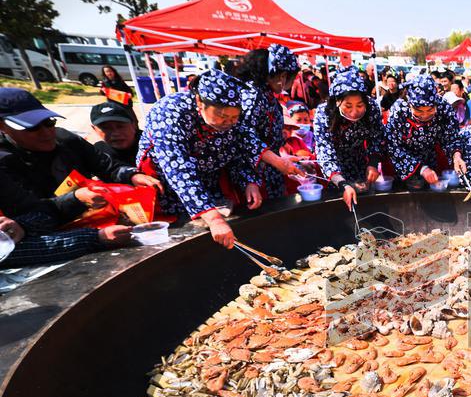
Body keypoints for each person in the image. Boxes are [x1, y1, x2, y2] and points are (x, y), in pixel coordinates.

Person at [0, 89, 135, 265]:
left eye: (49, 122)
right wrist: (92, 236)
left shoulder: (65, 139)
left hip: (98, 223)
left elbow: (106, 166)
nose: (46, 132)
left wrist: (132, 175)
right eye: (31, 127)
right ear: (3, 126)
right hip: (59, 250)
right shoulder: (4, 163)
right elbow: (36, 215)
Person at [137, 70, 262, 248]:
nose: (228, 122)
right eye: (222, 116)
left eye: (234, 117)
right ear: (199, 102)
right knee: (184, 242)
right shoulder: (169, 112)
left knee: (221, 239)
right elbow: (178, 169)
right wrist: (213, 218)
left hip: (210, 183)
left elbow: (237, 150)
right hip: (168, 189)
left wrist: (249, 181)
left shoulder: (232, 121)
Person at [228, 45, 305, 200]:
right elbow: (244, 140)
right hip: (254, 179)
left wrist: (281, 157)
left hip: (270, 171)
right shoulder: (254, 96)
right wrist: (251, 180)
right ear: (282, 76)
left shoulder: (266, 95)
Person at [312, 68, 386, 208]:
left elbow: (377, 137)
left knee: (362, 198)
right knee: (339, 203)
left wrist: (373, 162)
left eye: (360, 105)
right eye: (348, 106)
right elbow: (324, 151)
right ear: (338, 101)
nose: (354, 112)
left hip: (359, 160)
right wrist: (342, 182)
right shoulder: (324, 113)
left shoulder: (372, 109)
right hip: (334, 165)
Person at [384, 75, 465, 190]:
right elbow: (392, 145)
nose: (425, 115)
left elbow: (452, 136)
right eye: (419, 111)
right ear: (410, 104)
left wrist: (456, 156)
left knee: (429, 189)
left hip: (429, 156)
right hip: (405, 161)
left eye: (430, 110)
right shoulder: (399, 110)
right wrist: (421, 169)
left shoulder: (443, 107)